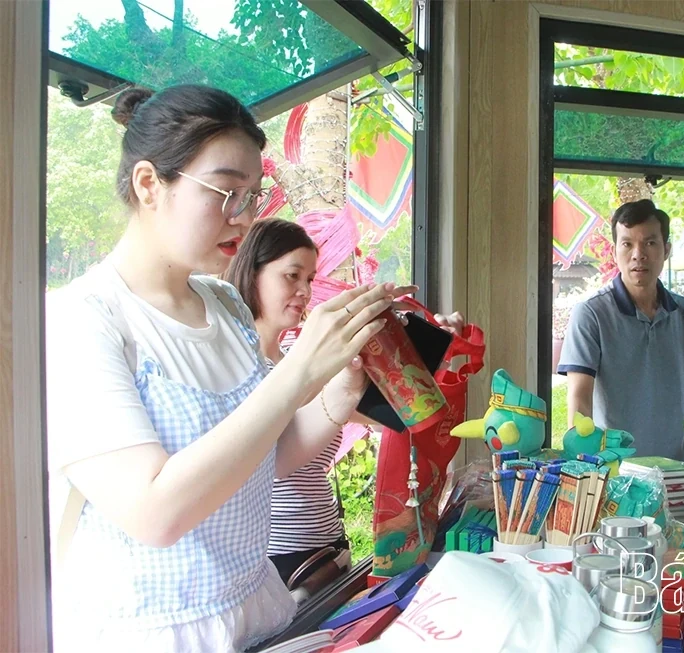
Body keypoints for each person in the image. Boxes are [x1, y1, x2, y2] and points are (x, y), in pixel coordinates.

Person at [45, 85, 401, 652]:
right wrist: (299, 372)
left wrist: (340, 389)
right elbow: (154, 512)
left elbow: (268, 456)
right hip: (154, 632)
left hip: (252, 610)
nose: (244, 215)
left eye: (254, 195)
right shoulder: (83, 321)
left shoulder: (227, 305)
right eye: (226, 191)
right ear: (148, 185)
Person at [223, 219, 465, 587]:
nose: (304, 291)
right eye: (291, 276)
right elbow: (270, 449)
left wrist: (428, 348)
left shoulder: (301, 356)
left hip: (329, 547)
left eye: (310, 279)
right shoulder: (231, 365)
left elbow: (389, 416)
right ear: (251, 272)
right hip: (273, 559)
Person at [558, 199, 684, 461]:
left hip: (674, 469)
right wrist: (584, 465)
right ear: (615, 251)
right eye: (627, 244)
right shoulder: (591, 314)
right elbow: (580, 397)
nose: (638, 254)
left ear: (667, 249)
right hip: (615, 473)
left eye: (650, 243)